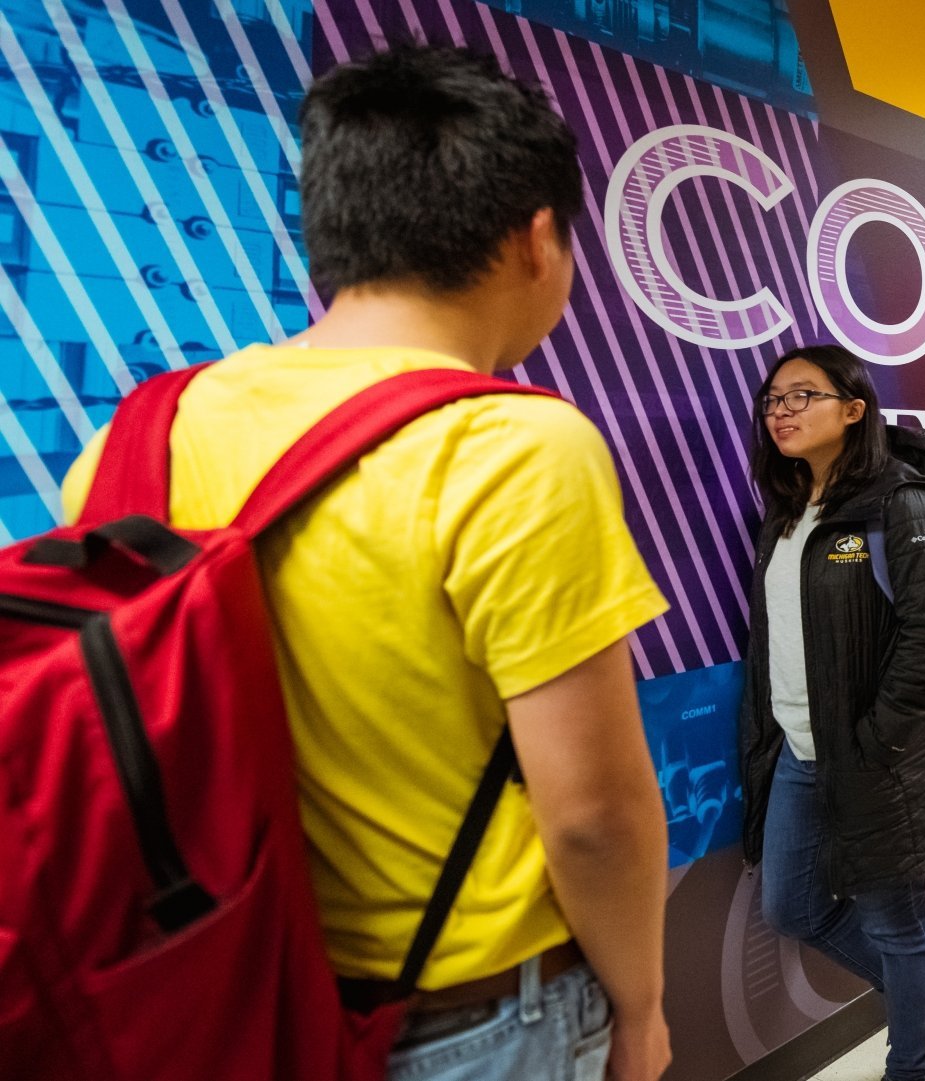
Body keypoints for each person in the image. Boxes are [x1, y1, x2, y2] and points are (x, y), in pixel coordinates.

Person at [61, 45, 673, 1081]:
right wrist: (643, 1008)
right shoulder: (514, 448)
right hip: (463, 1023)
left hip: (208, 999)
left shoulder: (143, 434)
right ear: (535, 238)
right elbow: (595, 817)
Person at [738, 345, 925, 1081]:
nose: (781, 410)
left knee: (897, 922)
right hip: (800, 756)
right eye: (773, 400)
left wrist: (876, 739)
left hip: (879, 759)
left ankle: (913, 1066)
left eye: (800, 396)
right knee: (794, 905)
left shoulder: (901, 502)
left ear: (854, 409)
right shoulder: (787, 515)